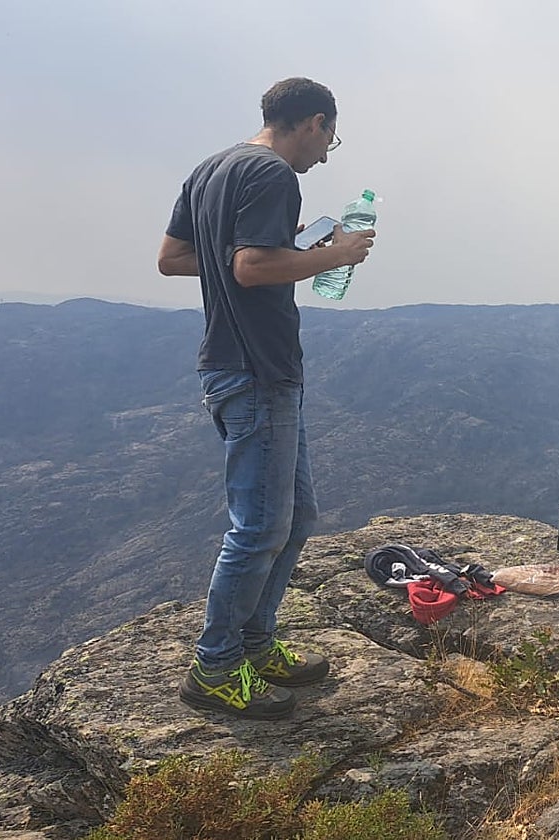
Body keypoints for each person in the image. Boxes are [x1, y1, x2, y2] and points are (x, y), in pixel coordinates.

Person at [157, 77, 375, 719]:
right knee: (258, 529)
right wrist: (332, 253)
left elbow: (173, 258)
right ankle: (216, 666)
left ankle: (255, 641)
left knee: (298, 515)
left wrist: (280, 251)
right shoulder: (275, 174)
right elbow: (250, 269)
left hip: (237, 367)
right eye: (329, 136)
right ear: (312, 122)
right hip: (257, 370)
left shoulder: (211, 169)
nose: (328, 152)